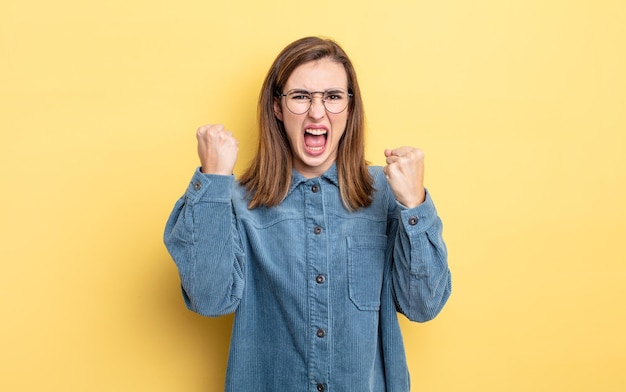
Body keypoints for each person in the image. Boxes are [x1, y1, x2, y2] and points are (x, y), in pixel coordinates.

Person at [164, 36, 451, 392]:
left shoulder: (388, 193)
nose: (317, 112)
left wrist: (414, 205)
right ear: (277, 108)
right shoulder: (236, 200)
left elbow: (423, 305)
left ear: (349, 108)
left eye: (332, 96)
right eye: (301, 97)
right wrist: (213, 182)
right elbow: (208, 300)